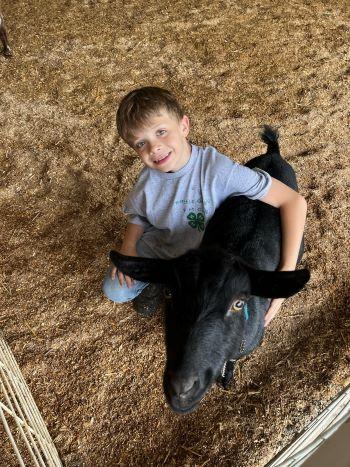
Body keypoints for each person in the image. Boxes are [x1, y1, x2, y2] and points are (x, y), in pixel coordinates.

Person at [102, 87, 307, 326]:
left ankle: (169, 284)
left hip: (205, 257)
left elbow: (293, 201)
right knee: (114, 290)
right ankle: (160, 282)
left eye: (161, 132)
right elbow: (138, 216)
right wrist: (128, 247)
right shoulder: (147, 179)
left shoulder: (217, 170)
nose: (153, 148)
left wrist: (285, 272)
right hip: (161, 246)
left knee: (199, 314)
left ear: (184, 126)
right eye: (140, 143)